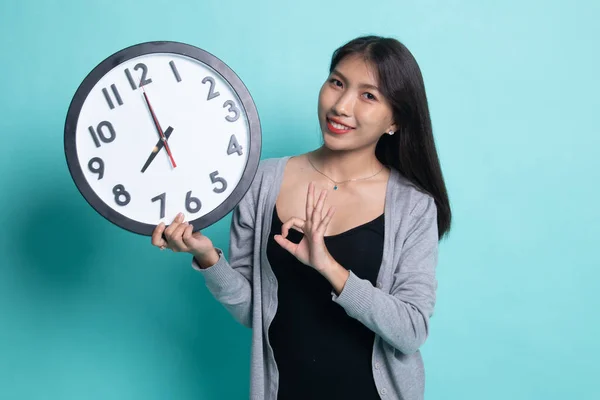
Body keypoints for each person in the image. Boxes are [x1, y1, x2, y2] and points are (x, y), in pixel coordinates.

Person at [151, 35, 451, 400]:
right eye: (337, 83)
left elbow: (411, 330)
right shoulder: (261, 181)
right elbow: (254, 311)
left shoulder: (413, 206)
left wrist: (330, 268)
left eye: (367, 95)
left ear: (395, 121)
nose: (341, 105)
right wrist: (208, 257)